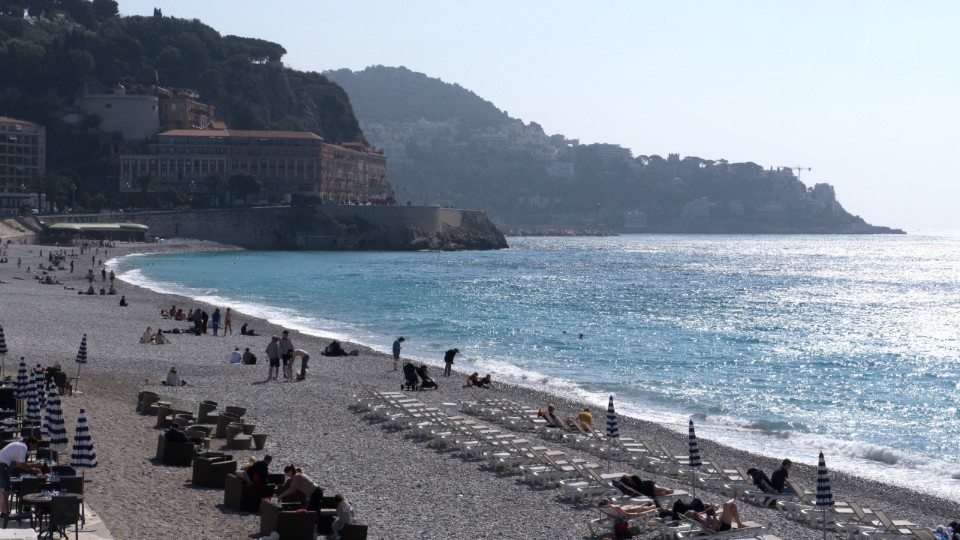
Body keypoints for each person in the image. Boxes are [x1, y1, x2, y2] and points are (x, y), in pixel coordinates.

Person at [0, 437, 43, 521]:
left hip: (3, 463)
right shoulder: (24, 447)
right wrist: (35, 466)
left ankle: (3, 513)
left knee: (5, 490)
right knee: (5, 490)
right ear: (30, 443)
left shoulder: (20, 446)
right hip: (3, 464)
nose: (34, 449)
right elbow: (21, 465)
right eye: (34, 447)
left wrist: (33, 469)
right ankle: (4, 513)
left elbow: (19, 463)